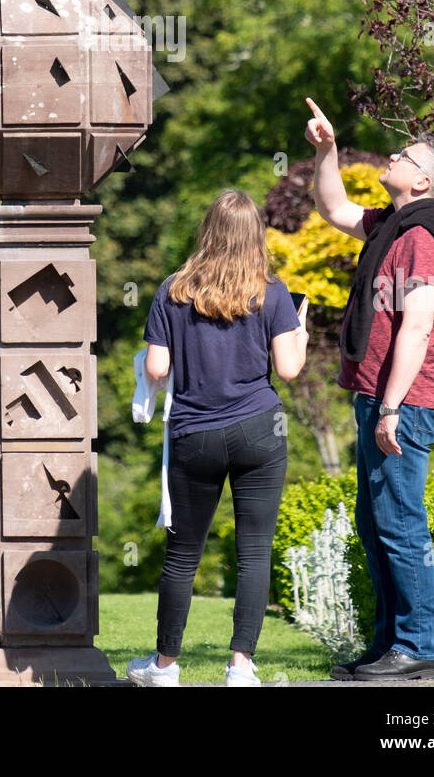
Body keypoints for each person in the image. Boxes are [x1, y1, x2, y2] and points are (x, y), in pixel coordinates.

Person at [304, 97, 434, 681]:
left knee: (400, 526)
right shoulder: (393, 224)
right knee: (376, 527)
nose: (393, 155)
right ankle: (386, 648)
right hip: (379, 397)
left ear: (422, 180)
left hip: (407, 400)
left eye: (404, 154)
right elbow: (335, 208)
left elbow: (419, 326)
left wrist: (391, 407)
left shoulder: (423, 236)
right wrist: (326, 150)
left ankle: (416, 649)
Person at [126, 188, 308, 688]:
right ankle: (240, 666)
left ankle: (164, 667)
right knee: (254, 550)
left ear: (207, 232)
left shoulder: (172, 291)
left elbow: (159, 367)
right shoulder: (272, 292)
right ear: (256, 237)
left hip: (195, 432)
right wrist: (301, 336)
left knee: (183, 554)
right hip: (259, 429)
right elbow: (289, 369)